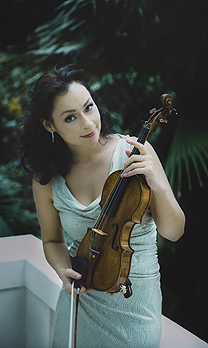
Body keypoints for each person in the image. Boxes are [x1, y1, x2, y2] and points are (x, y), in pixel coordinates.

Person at [20, 64, 185, 348]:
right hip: (79, 303)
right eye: (70, 117)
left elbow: (174, 232)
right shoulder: (47, 177)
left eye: (89, 107)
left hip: (135, 306)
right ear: (50, 125)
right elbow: (51, 240)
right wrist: (63, 270)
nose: (88, 123)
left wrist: (156, 182)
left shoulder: (133, 153)